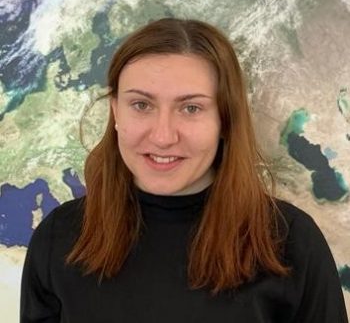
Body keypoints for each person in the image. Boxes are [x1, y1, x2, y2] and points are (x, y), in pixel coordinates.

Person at [20, 18, 348, 323]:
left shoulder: (290, 243)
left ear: (225, 119)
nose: (163, 136)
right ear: (116, 112)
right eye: (141, 105)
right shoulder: (59, 239)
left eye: (191, 108)